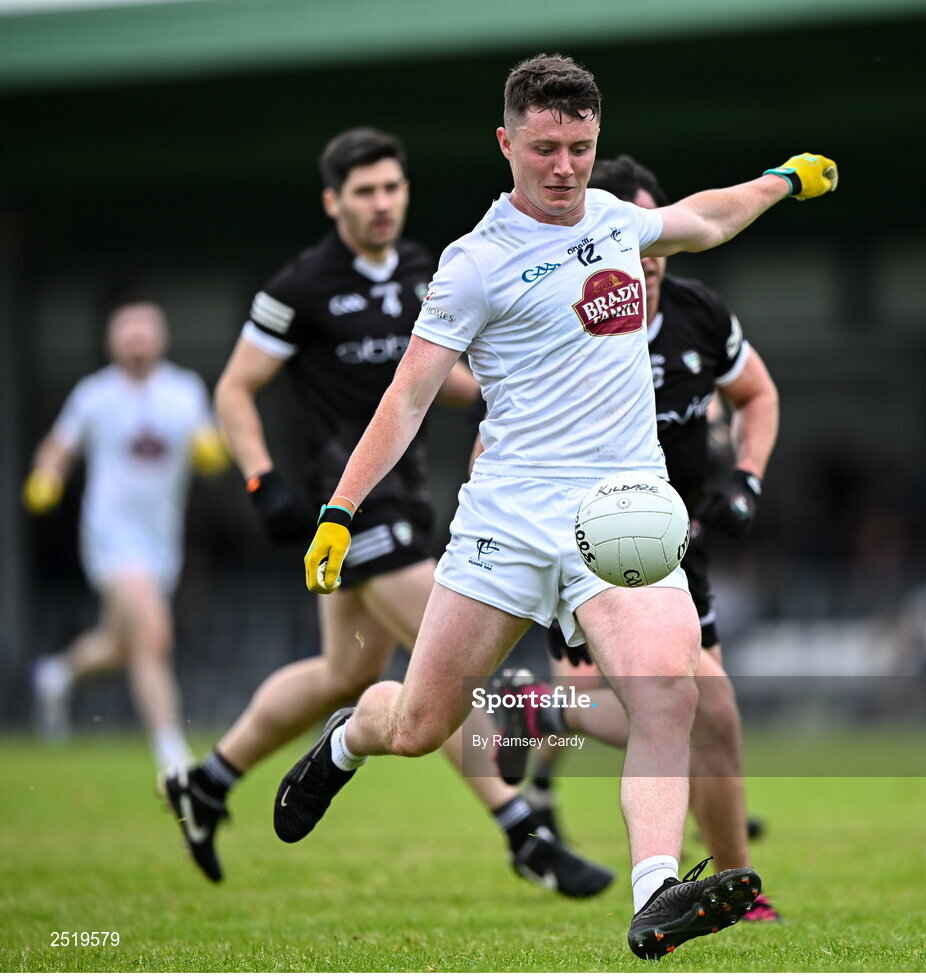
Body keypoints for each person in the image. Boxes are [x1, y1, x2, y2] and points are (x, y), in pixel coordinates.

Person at [279, 55, 836, 959]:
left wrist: (780, 181)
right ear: (507, 144)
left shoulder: (620, 222)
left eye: (580, 147)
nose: (564, 167)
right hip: (507, 517)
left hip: (623, 507)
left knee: (667, 694)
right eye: (544, 148)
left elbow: (705, 218)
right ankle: (348, 740)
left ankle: (657, 888)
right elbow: (408, 398)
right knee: (422, 726)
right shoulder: (473, 265)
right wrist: (341, 509)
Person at [159, 126, 613, 897]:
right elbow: (233, 388)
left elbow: (444, 378)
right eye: (364, 192)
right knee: (450, 671)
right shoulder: (299, 286)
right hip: (353, 505)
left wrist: (533, 390)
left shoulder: (423, 269)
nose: (382, 204)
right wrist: (262, 481)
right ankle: (523, 835)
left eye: (392, 188)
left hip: (411, 498)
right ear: (333, 201)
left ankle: (206, 781)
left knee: (349, 674)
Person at [510, 153, 781, 923]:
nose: (647, 263)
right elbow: (497, 443)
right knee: (701, 709)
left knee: (708, 719)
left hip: (677, 541)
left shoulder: (700, 313)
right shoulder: (563, 316)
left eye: (656, 247)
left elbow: (757, 394)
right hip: (586, 544)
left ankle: (543, 713)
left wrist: (748, 476)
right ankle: (735, 889)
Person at [25, 301, 228, 770]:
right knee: (154, 633)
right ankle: (171, 751)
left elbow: (209, 444)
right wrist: (47, 475)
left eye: (145, 331)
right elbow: (56, 448)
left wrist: (212, 450)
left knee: (123, 645)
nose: (137, 340)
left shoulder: (183, 390)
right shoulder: (93, 395)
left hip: (161, 540)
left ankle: (55, 675)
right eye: (128, 332)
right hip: (110, 537)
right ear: (112, 341)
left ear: (160, 338)